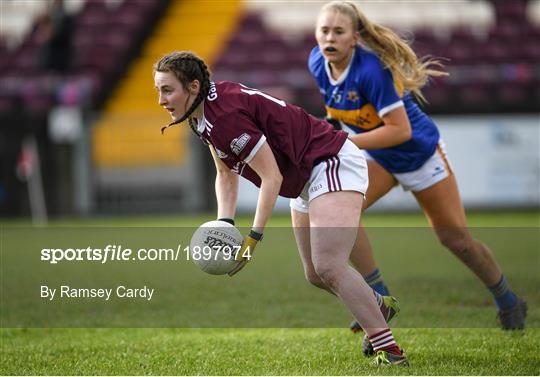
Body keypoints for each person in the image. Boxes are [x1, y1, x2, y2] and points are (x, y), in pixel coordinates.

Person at [154, 51, 408, 366]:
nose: (161, 99)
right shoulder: (200, 113)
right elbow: (224, 173)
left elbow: (271, 177)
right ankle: (379, 307)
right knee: (316, 274)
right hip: (304, 173)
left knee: (329, 265)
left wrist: (253, 238)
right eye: (159, 91)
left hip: (329, 160)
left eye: (167, 90)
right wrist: (225, 223)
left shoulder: (224, 117)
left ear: (193, 86)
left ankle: (391, 351)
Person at [308, 0, 527, 355]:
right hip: (379, 157)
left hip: (420, 155)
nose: (329, 37)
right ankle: (380, 299)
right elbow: (339, 113)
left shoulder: (372, 70)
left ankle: (508, 299)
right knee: (344, 216)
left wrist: (341, 140)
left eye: (338, 31)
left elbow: (399, 131)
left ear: (354, 38)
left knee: (456, 241)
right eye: (324, 30)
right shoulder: (317, 62)